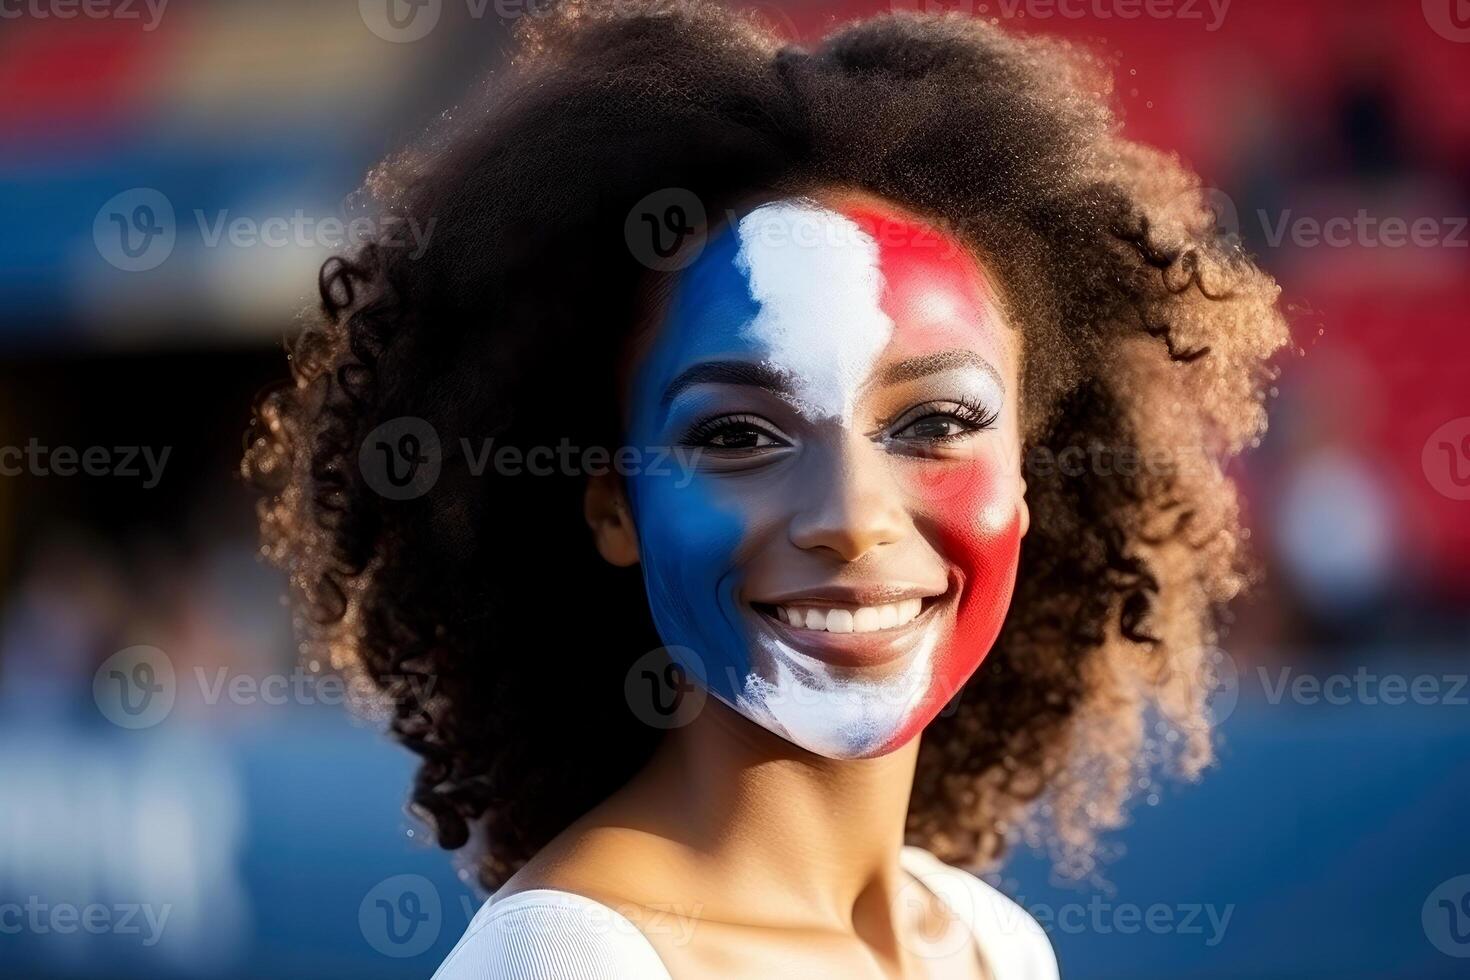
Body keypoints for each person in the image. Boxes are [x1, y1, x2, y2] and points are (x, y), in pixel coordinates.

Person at [243, 2, 1287, 976]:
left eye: (935, 423)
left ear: (1030, 471)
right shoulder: (571, 959)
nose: (850, 515)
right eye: (738, 433)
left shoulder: (990, 944)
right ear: (612, 503)